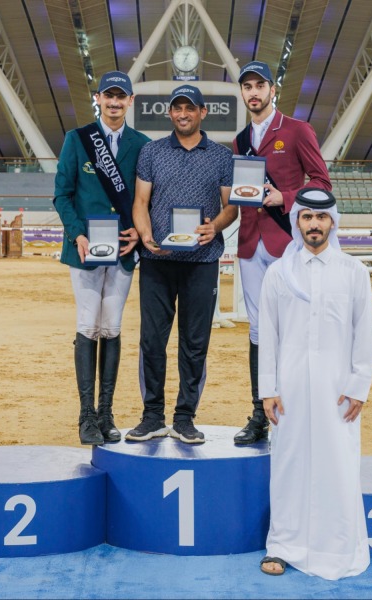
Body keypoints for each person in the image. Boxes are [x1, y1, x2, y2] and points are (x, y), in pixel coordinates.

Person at [257, 188, 372, 580]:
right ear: (297, 223)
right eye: (307, 217)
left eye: (321, 218)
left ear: (332, 222)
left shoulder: (353, 273)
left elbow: (364, 334)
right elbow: (267, 336)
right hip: (288, 391)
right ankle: (283, 545)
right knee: (288, 465)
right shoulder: (279, 273)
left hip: (338, 390)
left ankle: (338, 544)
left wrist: (359, 385)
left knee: (338, 464)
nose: (314, 225)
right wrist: (267, 389)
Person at [230, 60, 332, 445]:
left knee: (296, 327)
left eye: (260, 85)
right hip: (250, 243)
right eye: (247, 87)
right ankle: (260, 413)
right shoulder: (240, 140)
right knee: (258, 331)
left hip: (287, 242)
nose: (253, 93)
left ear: (274, 90)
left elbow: (322, 181)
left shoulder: (297, 130)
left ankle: (302, 411)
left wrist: (285, 197)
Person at [128, 84, 237, 444]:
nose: (183, 114)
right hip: (157, 260)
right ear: (170, 113)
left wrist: (214, 227)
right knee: (152, 341)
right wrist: (145, 236)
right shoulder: (152, 152)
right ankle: (152, 415)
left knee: (194, 343)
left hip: (202, 260)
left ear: (203, 112)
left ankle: (185, 417)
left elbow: (231, 206)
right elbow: (141, 202)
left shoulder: (221, 156)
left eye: (190, 108)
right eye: (177, 108)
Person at [53, 71, 151, 446]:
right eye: (108, 96)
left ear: (131, 101)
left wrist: (137, 234)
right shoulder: (76, 140)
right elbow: (62, 194)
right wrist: (77, 233)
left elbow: (146, 200)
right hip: (85, 252)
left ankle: (107, 413)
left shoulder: (142, 144)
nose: (113, 103)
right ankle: (86, 416)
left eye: (120, 97)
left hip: (123, 252)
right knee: (87, 324)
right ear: (98, 98)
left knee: (111, 326)